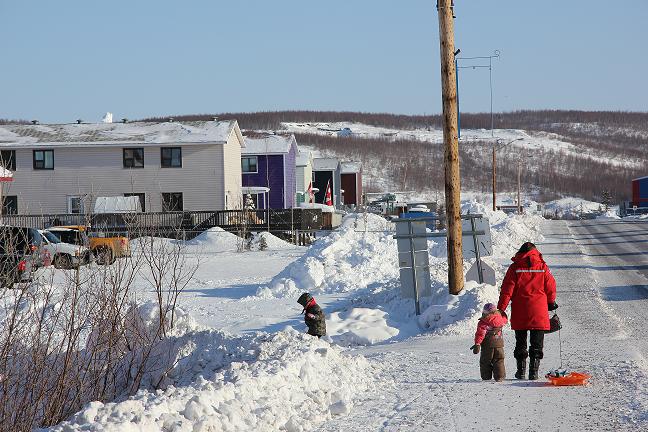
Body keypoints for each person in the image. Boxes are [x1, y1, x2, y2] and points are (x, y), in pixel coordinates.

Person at [497, 242, 557, 380]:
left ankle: (521, 371)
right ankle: (533, 372)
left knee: (521, 342)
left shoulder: (515, 268)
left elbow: (507, 291)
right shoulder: (542, 267)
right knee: (537, 343)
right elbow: (551, 287)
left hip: (520, 310)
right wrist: (551, 302)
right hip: (539, 310)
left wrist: (501, 308)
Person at [470, 303, 509, 381]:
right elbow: (505, 318)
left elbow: (480, 334)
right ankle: (499, 377)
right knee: (499, 360)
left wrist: (477, 344)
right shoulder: (501, 319)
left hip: (488, 345)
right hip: (499, 345)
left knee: (485, 361)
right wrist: (502, 312)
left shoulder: (483, 322)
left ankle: (486, 376)